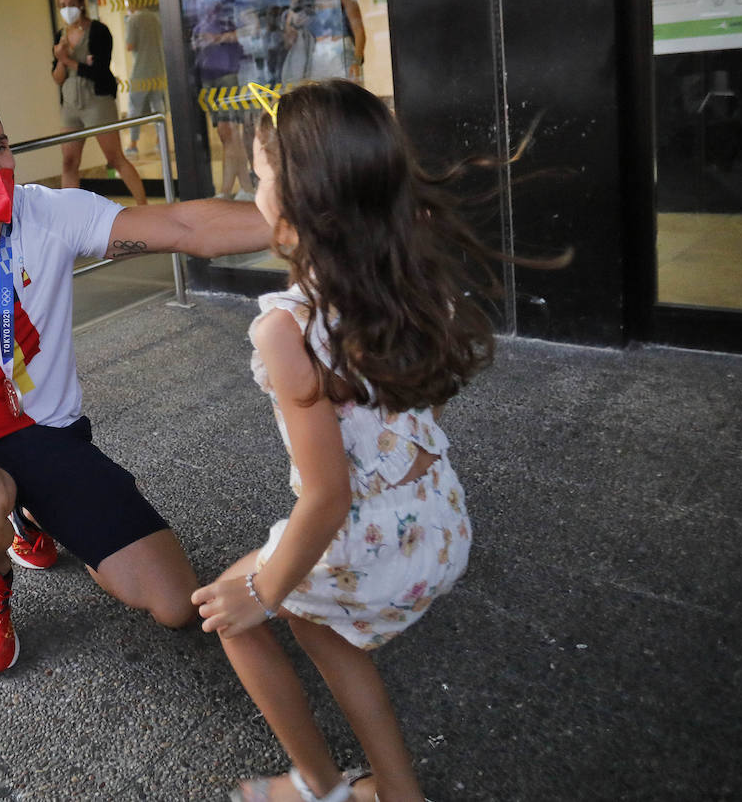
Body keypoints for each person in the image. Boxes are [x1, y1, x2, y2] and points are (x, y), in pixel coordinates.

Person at [0, 88, 270, 676]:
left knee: (173, 604)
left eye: (0, 147)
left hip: (51, 434)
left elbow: (185, 224)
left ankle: (35, 515)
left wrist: (300, 222)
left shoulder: (49, 214)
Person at [192, 80, 530, 802]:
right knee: (324, 629)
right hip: (439, 524)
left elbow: (327, 496)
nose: (254, 189)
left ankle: (317, 785)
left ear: (302, 198)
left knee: (228, 609)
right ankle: (397, 792)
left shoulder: (286, 330)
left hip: (364, 537)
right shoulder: (400, 282)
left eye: (260, 175)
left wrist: (260, 589)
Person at [51, 0, 148, 205]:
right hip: (70, 105)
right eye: (63, 5)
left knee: (114, 158)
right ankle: (70, 214)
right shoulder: (60, 36)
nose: (67, 9)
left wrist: (69, 60)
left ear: (82, 4)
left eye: (72, 4)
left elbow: (100, 70)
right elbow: (57, 77)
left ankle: (143, 205)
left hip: (97, 101)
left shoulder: (99, 31)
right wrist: (61, 59)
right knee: (69, 162)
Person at [192, 0, 253, 199]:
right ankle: (243, 187)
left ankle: (228, 190)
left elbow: (249, 31)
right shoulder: (199, 17)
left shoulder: (230, 11)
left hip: (228, 74)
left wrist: (219, 38)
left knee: (230, 130)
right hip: (208, 76)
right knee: (225, 133)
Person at [122, 0, 165, 158]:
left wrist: (127, 21)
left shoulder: (133, 19)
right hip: (158, 69)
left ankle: (133, 144)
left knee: (134, 109)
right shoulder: (155, 18)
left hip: (141, 71)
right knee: (158, 107)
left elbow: (130, 46)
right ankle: (160, 141)